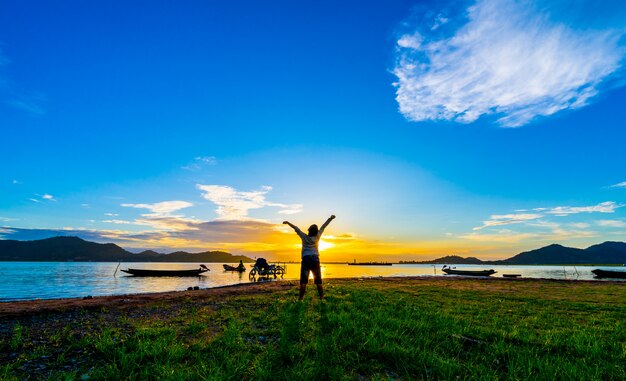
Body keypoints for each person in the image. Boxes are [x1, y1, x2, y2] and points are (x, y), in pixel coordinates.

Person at [283, 215, 335, 300]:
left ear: (309, 230)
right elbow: (324, 226)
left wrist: (288, 222)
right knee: (318, 280)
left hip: (306, 259)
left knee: (303, 281)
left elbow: (296, 228)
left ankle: (300, 299)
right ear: (316, 231)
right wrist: (331, 218)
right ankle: (321, 298)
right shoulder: (318, 236)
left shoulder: (304, 237)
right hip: (315, 259)